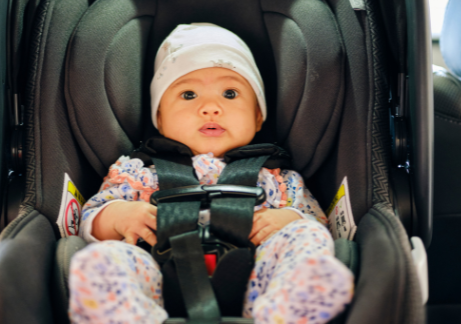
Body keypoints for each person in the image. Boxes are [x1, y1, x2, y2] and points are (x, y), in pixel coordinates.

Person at [68, 23, 354, 324]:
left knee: (305, 236)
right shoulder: (136, 173)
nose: (211, 107)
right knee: (102, 260)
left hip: (259, 274)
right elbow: (90, 219)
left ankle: (289, 311)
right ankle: (129, 317)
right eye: (188, 94)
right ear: (160, 119)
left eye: (230, 93)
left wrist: (288, 219)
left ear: (258, 116)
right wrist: (119, 217)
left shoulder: (279, 180)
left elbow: (319, 223)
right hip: (156, 270)